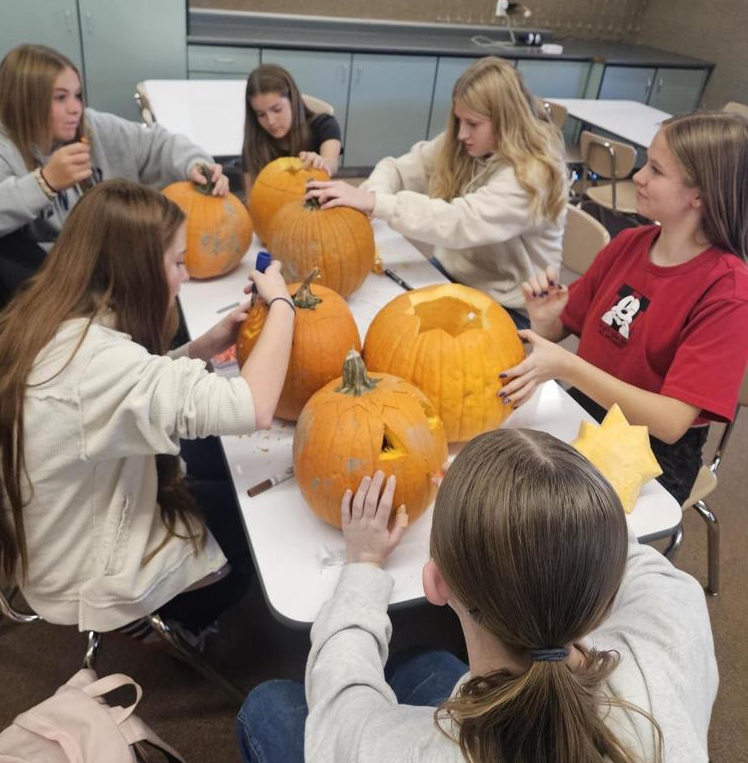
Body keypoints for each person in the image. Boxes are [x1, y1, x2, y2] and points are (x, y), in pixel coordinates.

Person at [237, 430, 716, 763]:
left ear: (435, 584)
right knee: (422, 666)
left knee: (269, 708)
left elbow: (340, 716)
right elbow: (627, 558)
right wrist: (550, 505)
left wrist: (362, 563)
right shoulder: (672, 629)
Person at [0, 179, 295, 639]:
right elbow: (252, 407)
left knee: (214, 470)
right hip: (83, 568)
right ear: (138, 271)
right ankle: (177, 625)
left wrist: (202, 347)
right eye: (177, 262)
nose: (185, 276)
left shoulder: (48, 315)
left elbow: (115, 395)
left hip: (48, 526)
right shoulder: (99, 365)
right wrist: (282, 304)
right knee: (255, 535)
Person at [504, 111, 748, 503]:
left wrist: (568, 367)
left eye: (655, 170)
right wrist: (544, 317)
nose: (638, 176)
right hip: (584, 409)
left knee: (537, 518)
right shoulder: (629, 244)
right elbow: (558, 330)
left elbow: (670, 423)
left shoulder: (728, 292)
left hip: (653, 452)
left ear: (699, 195)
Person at [305, 56, 567, 327]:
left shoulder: (533, 175)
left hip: (509, 306)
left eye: (473, 124)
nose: (462, 133)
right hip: (452, 275)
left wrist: (375, 203)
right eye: (459, 120)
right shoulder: (466, 143)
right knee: (378, 319)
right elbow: (397, 169)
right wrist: (372, 194)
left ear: (506, 120)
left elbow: (460, 222)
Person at [0, 44, 230, 308]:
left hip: (114, 268)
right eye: (60, 98)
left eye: (77, 95)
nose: (75, 108)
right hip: (60, 290)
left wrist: (194, 163)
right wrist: (44, 183)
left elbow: (159, 142)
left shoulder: (91, 126)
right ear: (27, 102)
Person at [243, 63, 342, 184]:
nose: (271, 121)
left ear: (293, 100)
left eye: (277, 109)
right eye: (261, 114)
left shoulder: (324, 125)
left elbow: (331, 163)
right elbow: (251, 197)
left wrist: (321, 162)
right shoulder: (254, 138)